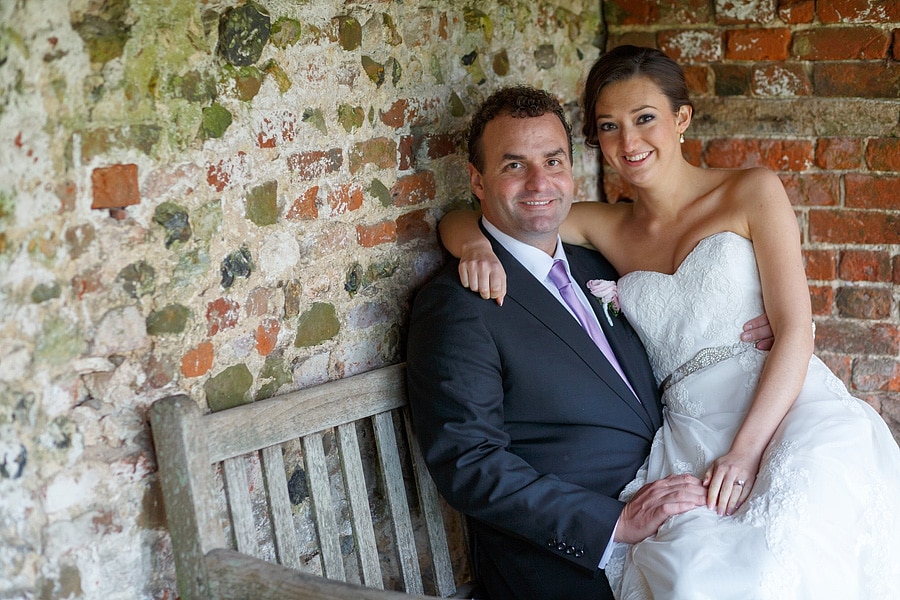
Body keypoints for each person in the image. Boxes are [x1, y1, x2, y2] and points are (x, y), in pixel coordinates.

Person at [439, 45, 900, 599]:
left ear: (681, 119)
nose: (628, 142)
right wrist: (475, 248)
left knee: (797, 540)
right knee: (695, 574)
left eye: (645, 119)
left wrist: (747, 450)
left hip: (780, 407)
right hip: (688, 434)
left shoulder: (751, 190)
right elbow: (478, 215)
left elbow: (797, 330)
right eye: (609, 127)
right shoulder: (599, 226)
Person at [406, 86, 773, 600]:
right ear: (477, 181)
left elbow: (676, 328)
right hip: (574, 557)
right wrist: (613, 523)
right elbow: (470, 463)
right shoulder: (458, 305)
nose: (539, 182)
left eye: (552, 160)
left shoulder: (597, 264)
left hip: (682, 494)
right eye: (513, 166)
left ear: (571, 170)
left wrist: (747, 325)